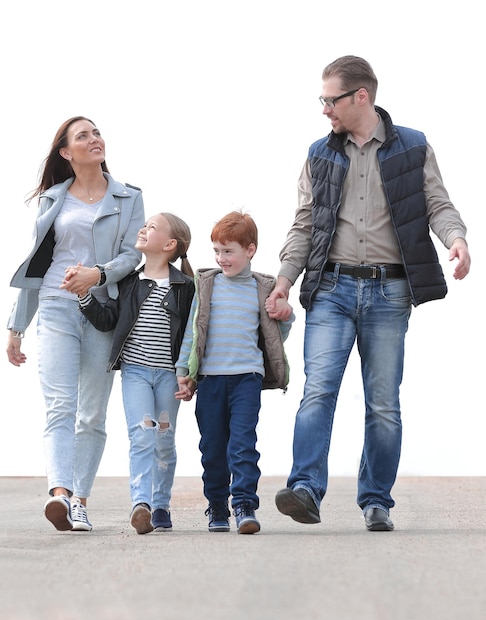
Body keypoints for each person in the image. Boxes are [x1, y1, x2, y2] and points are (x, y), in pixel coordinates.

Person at [266, 55, 471, 532]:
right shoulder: (320, 153)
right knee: (317, 391)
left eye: (329, 99)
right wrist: (284, 279)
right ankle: (305, 490)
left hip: (389, 292)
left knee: (383, 402)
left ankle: (376, 500)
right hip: (331, 288)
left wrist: (456, 239)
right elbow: (304, 223)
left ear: (361, 96)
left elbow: (437, 204)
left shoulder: (413, 146)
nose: (324, 110)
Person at [6, 116, 145, 532]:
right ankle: (60, 494)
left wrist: (97, 275)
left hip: (102, 311)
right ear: (67, 153)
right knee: (60, 406)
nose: (94, 139)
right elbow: (38, 261)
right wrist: (16, 327)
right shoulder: (52, 200)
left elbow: (132, 254)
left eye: (96, 132)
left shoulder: (128, 197)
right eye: (83, 136)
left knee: (92, 413)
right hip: (54, 306)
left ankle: (80, 500)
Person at [175, 210, 294, 534]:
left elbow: (274, 336)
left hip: (247, 379)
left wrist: (286, 316)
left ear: (249, 250)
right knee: (213, 448)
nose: (221, 258)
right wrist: (184, 372)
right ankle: (217, 506)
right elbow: (193, 332)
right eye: (217, 251)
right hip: (211, 380)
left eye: (228, 251)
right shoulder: (208, 285)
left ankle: (244, 504)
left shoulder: (262, 288)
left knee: (242, 445)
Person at [77, 213, 195, 534]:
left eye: (152, 227)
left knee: (164, 440)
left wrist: (191, 375)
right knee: (142, 435)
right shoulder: (130, 282)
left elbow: (193, 336)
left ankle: (160, 505)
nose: (143, 229)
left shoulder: (186, 287)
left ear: (169, 245)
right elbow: (108, 320)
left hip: (170, 376)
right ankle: (140, 504)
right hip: (136, 373)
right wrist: (85, 296)